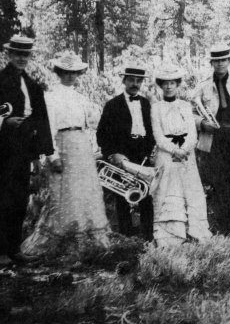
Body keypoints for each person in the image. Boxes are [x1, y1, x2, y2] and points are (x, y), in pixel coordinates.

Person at [21, 51, 109, 256]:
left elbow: (88, 125)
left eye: (74, 72)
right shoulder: (50, 97)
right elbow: (48, 127)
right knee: (63, 193)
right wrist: (52, 155)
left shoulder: (80, 98)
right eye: (66, 72)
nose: (70, 76)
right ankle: (63, 240)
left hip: (81, 147)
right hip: (62, 145)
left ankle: (84, 238)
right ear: (59, 72)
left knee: (83, 192)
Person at [0, 35, 53, 266]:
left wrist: (40, 154)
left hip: (23, 151)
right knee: (3, 198)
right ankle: (1, 251)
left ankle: (14, 249)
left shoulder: (33, 85)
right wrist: (4, 122)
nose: (22, 58)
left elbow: (41, 121)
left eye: (26, 55)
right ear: (9, 55)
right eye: (17, 54)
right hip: (3, 150)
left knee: (20, 199)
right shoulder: (0, 80)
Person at [192, 44, 230, 236]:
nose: (220, 64)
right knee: (218, 182)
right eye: (216, 61)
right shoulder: (202, 86)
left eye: (223, 60)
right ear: (211, 63)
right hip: (213, 138)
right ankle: (223, 228)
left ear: (229, 61)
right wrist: (202, 124)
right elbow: (191, 112)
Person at [152, 64, 211, 246]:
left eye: (173, 83)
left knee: (191, 191)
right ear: (161, 85)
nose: (169, 87)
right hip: (166, 155)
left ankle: (195, 233)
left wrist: (184, 149)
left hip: (187, 155)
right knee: (168, 192)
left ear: (178, 85)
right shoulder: (156, 107)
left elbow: (193, 133)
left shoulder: (185, 106)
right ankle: (171, 237)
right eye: (165, 84)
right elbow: (158, 135)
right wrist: (174, 150)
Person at [97, 63, 155, 240]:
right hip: (122, 153)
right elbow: (102, 134)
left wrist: (149, 151)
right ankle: (125, 236)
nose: (135, 84)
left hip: (142, 153)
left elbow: (152, 131)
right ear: (124, 81)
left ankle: (148, 235)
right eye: (131, 80)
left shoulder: (146, 103)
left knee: (146, 196)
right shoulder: (112, 105)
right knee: (122, 196)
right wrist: (112, 154)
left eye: (139, 81)